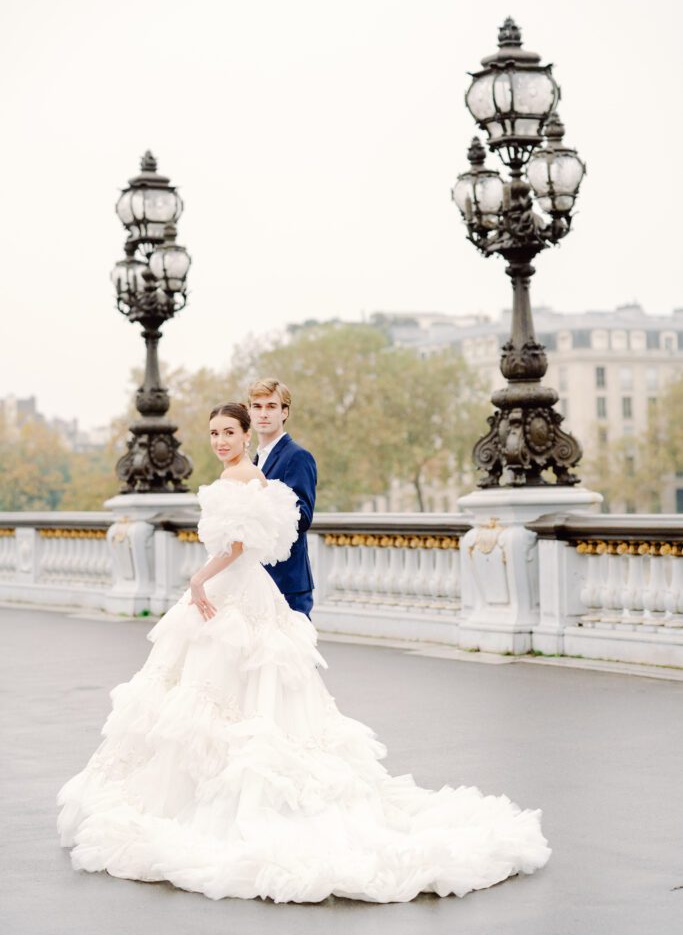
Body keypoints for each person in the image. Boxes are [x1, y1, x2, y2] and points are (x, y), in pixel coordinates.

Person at [57, 402, 550, 904]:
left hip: (234, 585)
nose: (221, 440)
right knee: (213, 689)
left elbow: (238, 544)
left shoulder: (244, 478)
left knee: (224, 689)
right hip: (240, 587)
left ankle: (210, 797)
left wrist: (200, 578)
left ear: (248, 435)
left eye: (229, 432)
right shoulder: (241, 476)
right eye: (214, 433)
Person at [248, 378, 316, 618]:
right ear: (249, 411)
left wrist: (260, 508)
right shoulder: (255, 460)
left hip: (288, 583)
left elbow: (303, 518)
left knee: (295, 654)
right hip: (258, 580)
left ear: (284, 411)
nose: (263, 413)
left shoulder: (298, 456)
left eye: (271, 406)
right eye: (257, 406)